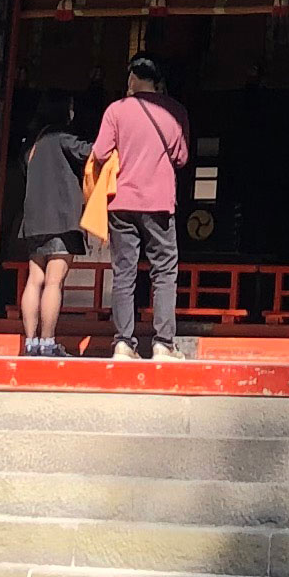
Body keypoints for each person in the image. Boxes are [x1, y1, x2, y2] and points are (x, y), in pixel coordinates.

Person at [93, 52, 193, 361]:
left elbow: (98, 153)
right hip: (158, 202)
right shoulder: (175, 111)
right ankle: (163, 343)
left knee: (124, 273)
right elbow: (181, 158)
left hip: (121, 202)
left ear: (133, 79)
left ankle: (123, 342)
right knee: (164, 271)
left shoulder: (116, 110)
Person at [8, 98, 100, 357]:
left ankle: (30, 343)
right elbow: (93, 152)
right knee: (54, 282)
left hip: (34, 220)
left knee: (34, 280)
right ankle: (48, 342)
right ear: (64, 113)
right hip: (61, 219)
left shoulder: (32, 146)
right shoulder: (63, 138)